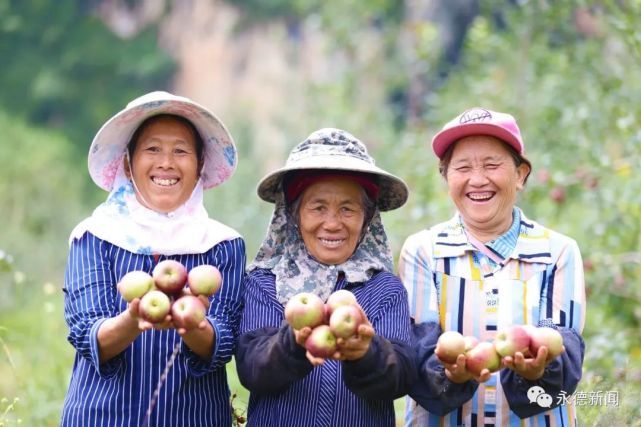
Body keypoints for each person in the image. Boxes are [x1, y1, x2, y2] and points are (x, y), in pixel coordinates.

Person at [60, 91, 247, 426]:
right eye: (152, 149)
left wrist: (190, 323)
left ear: (199, 164)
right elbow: (89, 337)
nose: (166, 163)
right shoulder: (94, 236)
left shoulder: (223, 245)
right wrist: (134, 319)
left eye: (180, 151)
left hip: (193, 417)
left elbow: (223, 344)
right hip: (102, 417)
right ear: (129, 165)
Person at [400, 108, 586, 426]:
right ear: (446, 178)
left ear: (521, 175)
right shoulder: (423, 252)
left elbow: (564, 353)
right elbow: (416, 354)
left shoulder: (559, 253)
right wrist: (449, 373)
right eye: (462, 168)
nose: (478, 179)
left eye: (491, 165)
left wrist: (538, 371)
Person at [234, 128, 416, 427]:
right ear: (293, 214)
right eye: (317, 207)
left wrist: (366, 352)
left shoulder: (385, 289)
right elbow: (253, 369)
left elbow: (402, 376)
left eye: (348, 209)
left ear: (366, 218)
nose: (332, 224)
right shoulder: (265, 283)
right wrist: (294, 341)